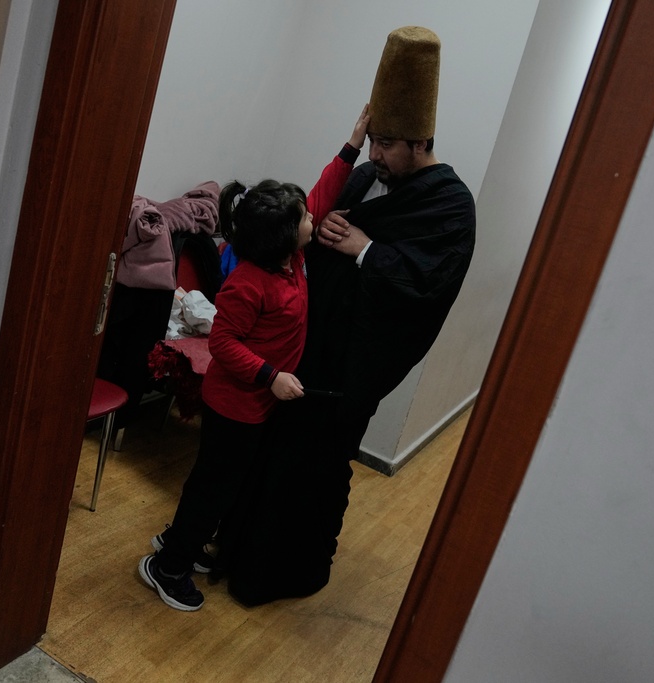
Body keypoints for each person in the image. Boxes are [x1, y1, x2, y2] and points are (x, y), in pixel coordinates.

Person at [215, 26, 477, 606]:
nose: (376, 154)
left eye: (385, 143)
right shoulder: (369, 173)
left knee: (314, 475)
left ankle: (285, 575)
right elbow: (310, 219)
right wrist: (330, 226)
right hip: (301, 355)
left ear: (418, 141)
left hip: (346, 375)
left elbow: (428, 286)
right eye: (373, 141)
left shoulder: (451, 205)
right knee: (269, 461)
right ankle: (234, 551)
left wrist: (363, 249)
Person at [138, 108, 371, 611]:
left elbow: (321, 193)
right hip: (235, 405)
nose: (316, 217)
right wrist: (271, 377)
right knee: (213, 488)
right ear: (284, 236)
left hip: (257, 406)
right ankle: (168, 565)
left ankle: (181, 540)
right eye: (306, 219)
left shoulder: (293, 258)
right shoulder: (250, 281)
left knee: (220, 485)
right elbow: (223, 345)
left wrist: (351, 146)